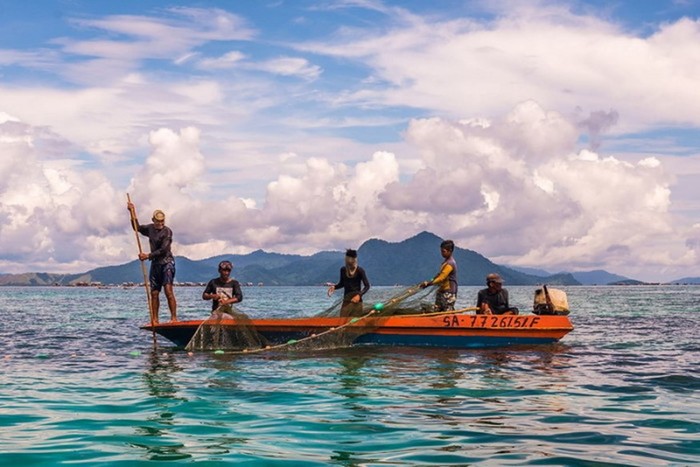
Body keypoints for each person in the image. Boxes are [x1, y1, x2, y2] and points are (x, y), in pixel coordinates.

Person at [128, 204, 177, 323]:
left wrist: (147, 256)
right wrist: (132, 212)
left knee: (168, 291)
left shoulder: (167, 232)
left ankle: (174, 318)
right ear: (153, 220)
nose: (160, 223)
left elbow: (163, 250)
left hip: (167, 263)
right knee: (154, 293)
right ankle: (155, 319)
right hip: (155, 264)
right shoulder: (150, 228)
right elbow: (137, 228)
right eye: (157, 221)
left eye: (162, 221)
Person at [327, 249, 371, 317]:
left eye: (353, 259)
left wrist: (359, 295)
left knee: (355, 323)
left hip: (357, 302)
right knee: (342, 321)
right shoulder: (343, 270)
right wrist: (334, 287)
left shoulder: (360, 270)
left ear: (355, 260)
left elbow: (367, 286)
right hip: (346, 301)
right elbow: (342, 283)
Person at [420, 240, 458, 312]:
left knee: (447, 312)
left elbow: (441, 278)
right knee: (437, 311)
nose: (442, 253)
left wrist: (428, 283)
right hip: (442, 292)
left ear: (450, 251)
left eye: (443, 251)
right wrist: (430, 281)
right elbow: (438, 275)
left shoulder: (450, 264)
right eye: (441, 251)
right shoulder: (445, 262)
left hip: (449, 293)